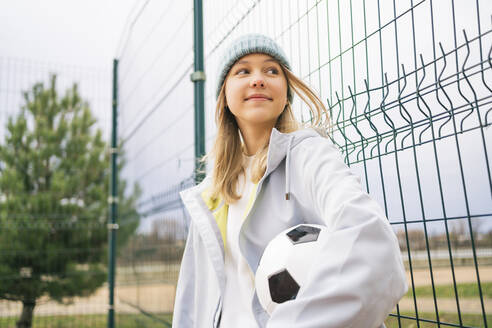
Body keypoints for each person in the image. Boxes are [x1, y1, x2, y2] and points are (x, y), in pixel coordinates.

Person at [172, 33, 407, 328]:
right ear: (224, 96)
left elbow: (372, 243)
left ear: (286, 93)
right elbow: (191, 304)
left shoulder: (310, 156)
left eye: (272, 70)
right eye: (243, 71)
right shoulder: (210, 195)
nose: (258, 79)